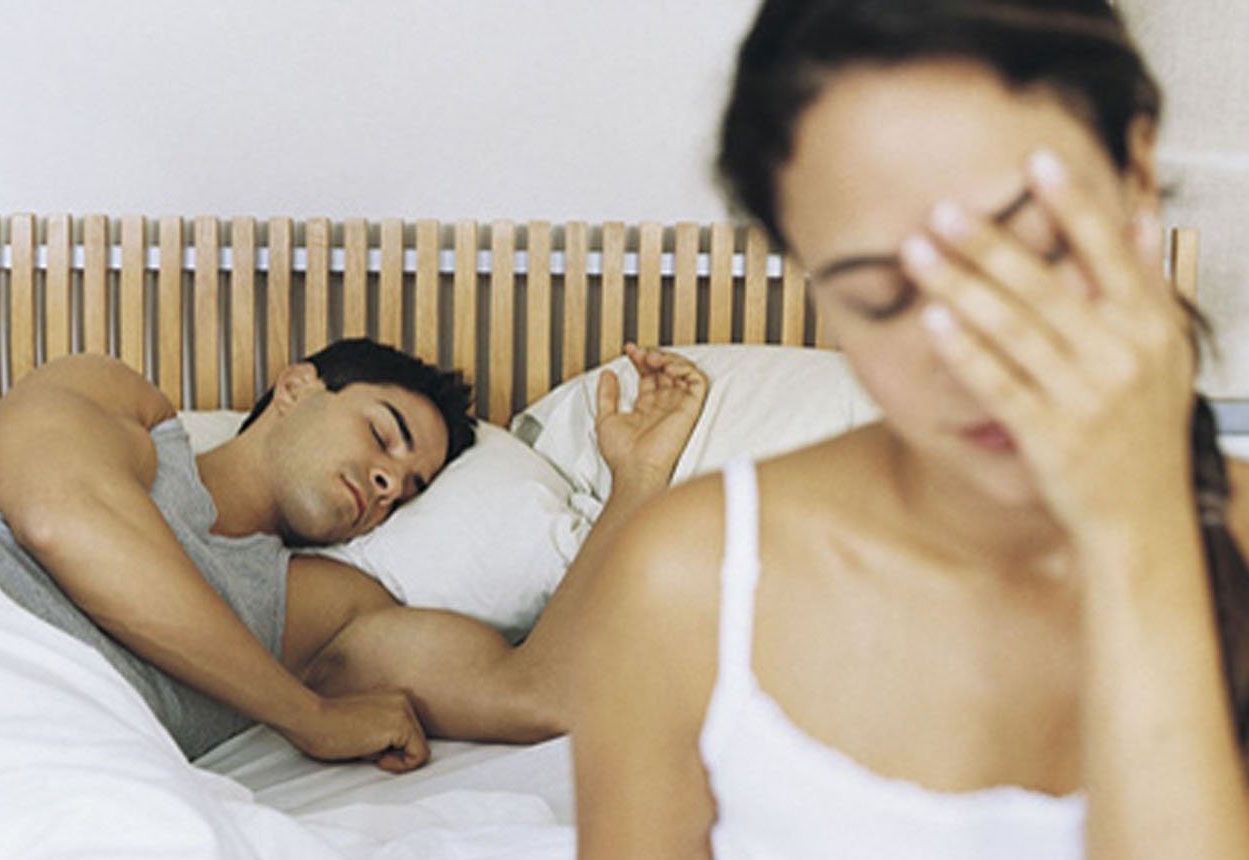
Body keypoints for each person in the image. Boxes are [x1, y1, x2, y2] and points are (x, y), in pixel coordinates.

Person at [570, 2, 1249, 858]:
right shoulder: (685, 584)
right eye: (882, 296)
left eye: (1031, 256)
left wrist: (1137, 532)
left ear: (1136, 172)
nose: (973, 358)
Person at [0, 336, 707, 772]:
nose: (389, 481)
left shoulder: (324, 609)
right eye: (382, 434)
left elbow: (540, 693)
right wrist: (305, 715)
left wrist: (636, 483)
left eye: (408, 488)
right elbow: (59, 516)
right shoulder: (121, 406)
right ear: (296, 387)